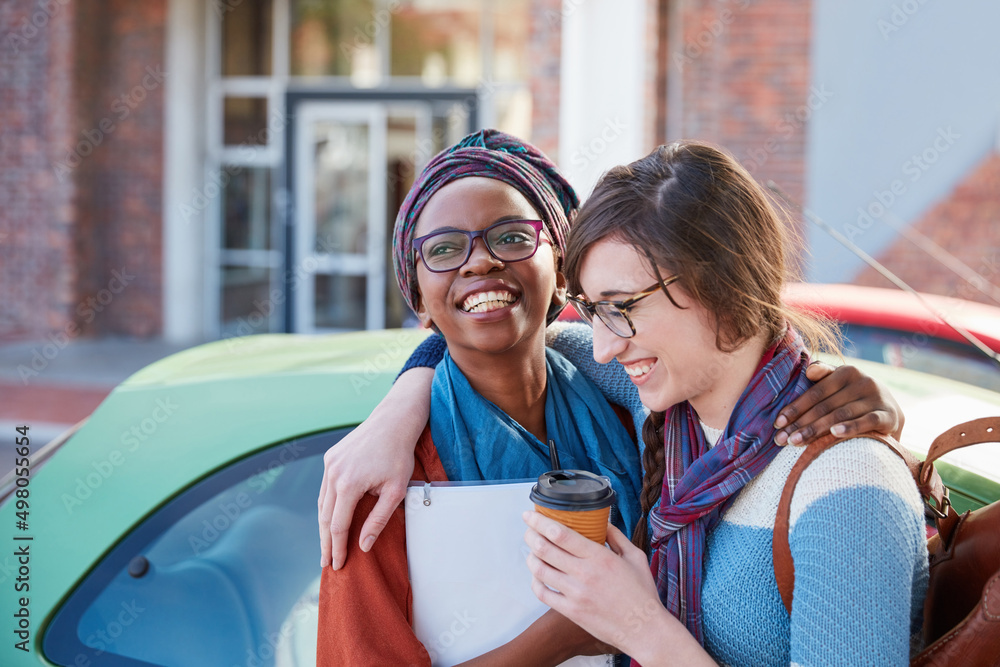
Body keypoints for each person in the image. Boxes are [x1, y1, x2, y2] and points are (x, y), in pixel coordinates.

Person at [521, 141, 928, 666]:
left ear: (721, 283)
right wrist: (407, 397)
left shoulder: (848, 486)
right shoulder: (669, 412)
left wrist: (639, 626)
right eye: (591, 308)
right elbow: (518, 341)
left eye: (621, 307)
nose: (603, 345)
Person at [317, 129, 643, 665]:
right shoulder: (383, 482)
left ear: (561, 272)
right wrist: (566, 634)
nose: (478, 263)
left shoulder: (637, 419)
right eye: (444, 249)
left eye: (512, 237)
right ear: (419, 301)